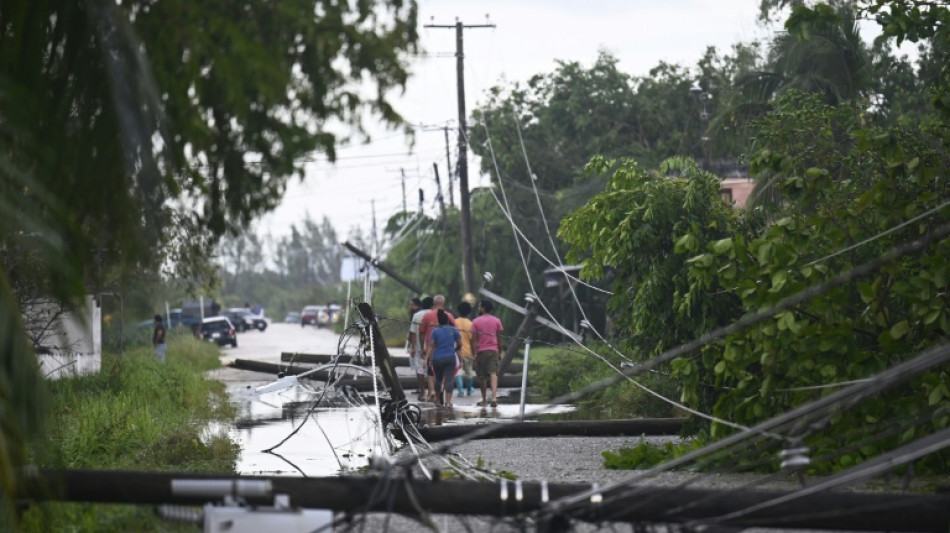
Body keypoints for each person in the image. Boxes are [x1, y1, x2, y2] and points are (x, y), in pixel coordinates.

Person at [419, 294, 456, 402]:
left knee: (432, 373)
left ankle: (433, 392)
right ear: (443, 303)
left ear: (434, 303)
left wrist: (422, 347)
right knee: (446, 375)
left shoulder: (427, 316)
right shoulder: (449, 315)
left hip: (432, 350)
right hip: (447, 350)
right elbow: (456, 332)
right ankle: (442, 397)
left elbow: (421, 333)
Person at [471, 300, 504, 407]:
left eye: (480, 306)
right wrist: (500, 351)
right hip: (493, 350)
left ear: (483, 308)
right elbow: (499, 338)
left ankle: (484, 400)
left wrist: (474, 355)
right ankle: (494, 398)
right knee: (493, 373)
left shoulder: (475, 322)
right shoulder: (497, 321)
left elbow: (474, 341)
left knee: (482, 377)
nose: (479, 308)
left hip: (481, 351)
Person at [425, 309, 461, 407]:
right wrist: (455, 350)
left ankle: (437, 401)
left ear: (439, 322)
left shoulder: (435, 331)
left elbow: (431, 345)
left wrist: (426, 358)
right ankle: (448, 402)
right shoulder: (453, 330)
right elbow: (459, 344)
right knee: (449, 379)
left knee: (438, 379)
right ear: (448, 321)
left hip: (437, 358)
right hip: (450, 357)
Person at [408, 296, 432, 401]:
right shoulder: (436, 314)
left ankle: (423, 392)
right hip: (433, 347)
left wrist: (412, 348)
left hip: (419, 347)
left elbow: (412, 333)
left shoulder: (416, 315)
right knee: (432, 369)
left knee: (420, 369)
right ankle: (432, 392)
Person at [454, 301, 476, 396]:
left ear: (458, 311)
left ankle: (460, 390)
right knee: (469, 371)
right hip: (468, 351)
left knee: (458, 370)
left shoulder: (454, 322)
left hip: (456, 351)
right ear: (469, 312)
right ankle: (469, 389)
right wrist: (474, 353)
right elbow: (473, 341)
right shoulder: (471, 324)